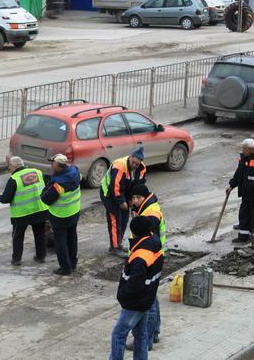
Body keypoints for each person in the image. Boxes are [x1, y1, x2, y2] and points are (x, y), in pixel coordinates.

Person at [109, 216, 164, 360]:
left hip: (135, 302)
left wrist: (122, 295)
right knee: (141, 334)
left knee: (118, 334)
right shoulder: (154, 242)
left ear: (134, 233)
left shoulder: (140, 256)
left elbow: (135, 284)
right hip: (146, 298)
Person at [129, 184, 165, 349]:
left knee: (148, 301)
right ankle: (154, 333)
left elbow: (148, 239)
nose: (135, 201)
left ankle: (146, 341)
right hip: (154, 258)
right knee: (153, 297)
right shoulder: (148, 208)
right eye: (133, 198)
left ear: (145, 197)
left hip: (149, 260)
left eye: (138, 197)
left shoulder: (150, 214)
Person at [0, 156, 49, 266]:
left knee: (18, 236)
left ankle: (16, 260)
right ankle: (41, 257)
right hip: (40, 210)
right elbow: (46, 186)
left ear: (14, 167)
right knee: (40, 234)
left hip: (22, 214)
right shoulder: (37, 172)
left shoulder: (14, 179)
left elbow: (6, 198)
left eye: (9, 166)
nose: (8, 168)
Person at [100, 147, 147, 258]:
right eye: (133, 162)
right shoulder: (119, 166)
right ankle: (114, 247)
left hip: (124, 193)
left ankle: (119, 243)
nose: (134, 165)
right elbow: (114, 187)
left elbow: (139, 186)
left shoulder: (141, 168)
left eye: (137, 163)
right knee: (115, 219)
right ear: (130, 158)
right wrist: (121, 202)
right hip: (109, 194)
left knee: (124, 219)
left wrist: (132, 202)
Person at [41, 154, 81, 276]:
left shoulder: (57, 184)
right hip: (74, 212)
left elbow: (45, 199)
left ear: (58, 166)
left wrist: (47, 185)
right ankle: (73, 263)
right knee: (72, 237)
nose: (51, 165)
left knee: (61, 242)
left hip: (60, 216)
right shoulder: (75, 171)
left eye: (53, 163)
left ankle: (65, 268)